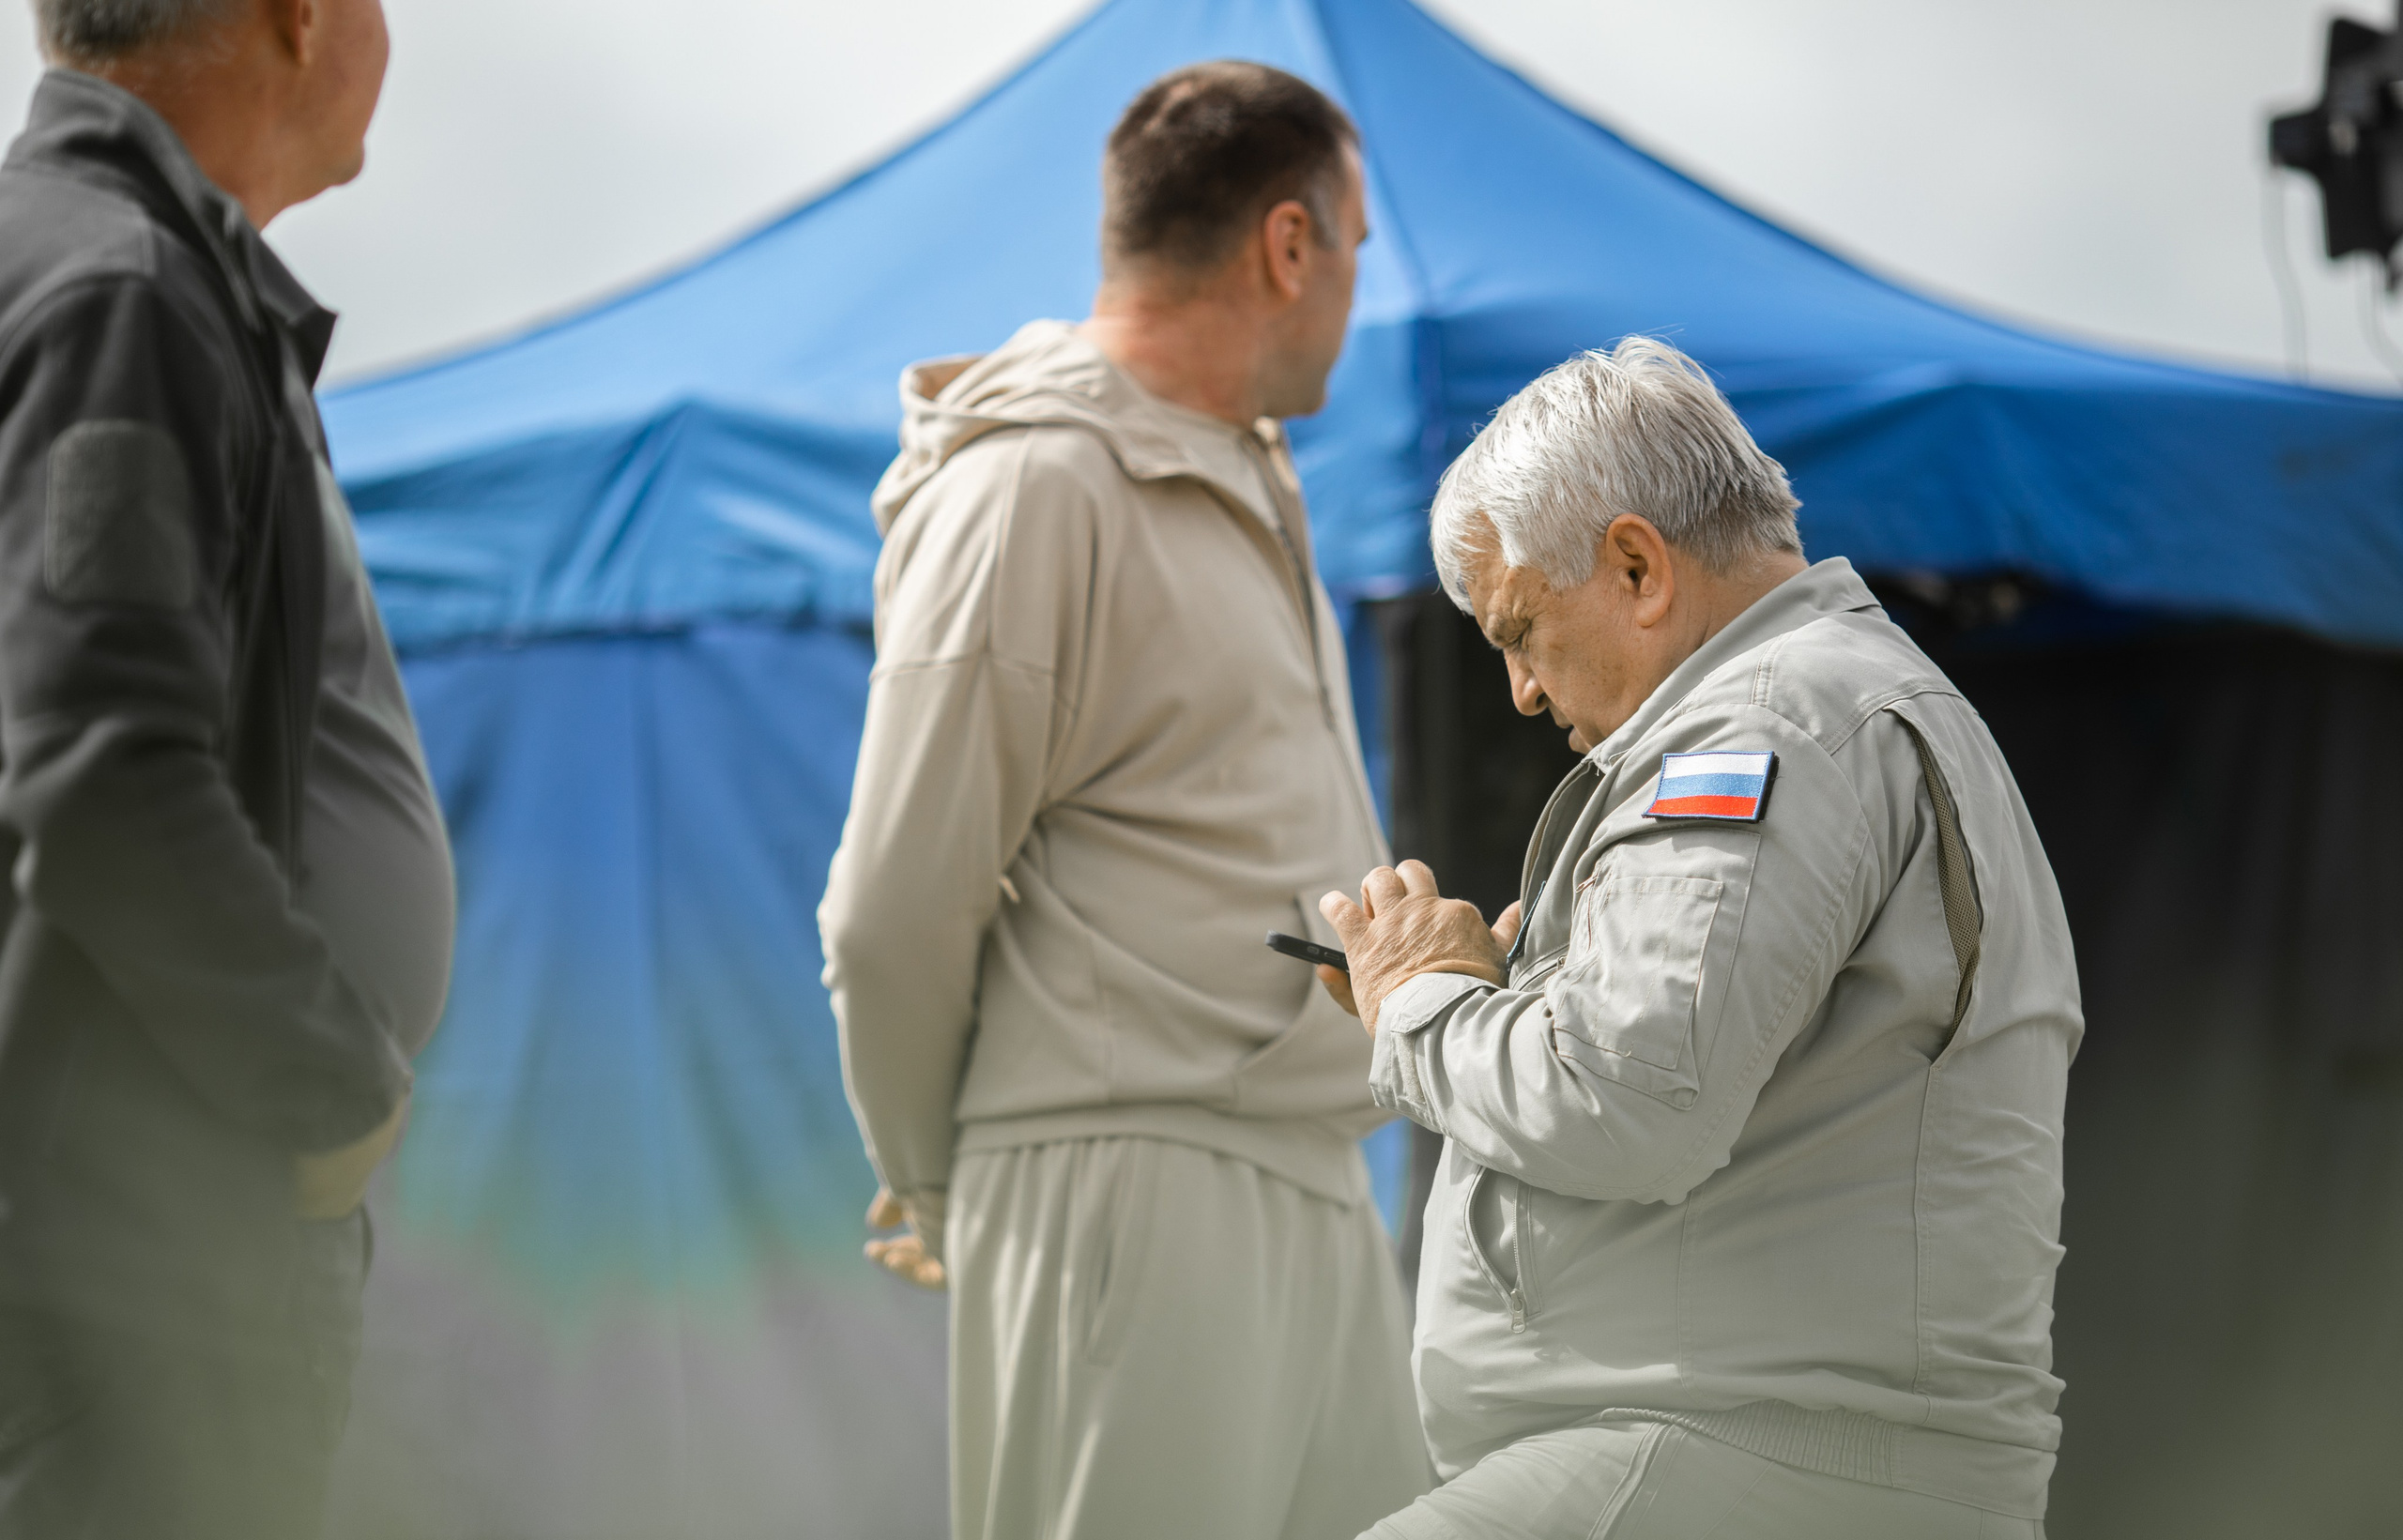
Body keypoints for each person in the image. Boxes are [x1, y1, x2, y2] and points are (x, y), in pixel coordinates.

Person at [1321, 339, 2079, 1539]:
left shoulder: (1760, 725)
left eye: (1519, 629)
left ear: (1636, 566)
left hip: (1738, 1457)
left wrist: (1422, 1003)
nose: (1521, 689)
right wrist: (1507, 1007)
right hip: (1773, 1461)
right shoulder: (1832, 701)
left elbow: (1626, 1094)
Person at [819, 59, 1431, 1540]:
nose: (1356, 291)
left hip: (1304, 1168)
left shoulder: (1239, 471)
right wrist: (938, 1184)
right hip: (1128, 1182)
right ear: (1289, 245)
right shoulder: (1030, 486)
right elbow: (892, 910)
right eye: (1353, 247)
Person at [0, 1, 452, 1536]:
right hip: (135, 1277)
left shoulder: (112, 272)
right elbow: (105, 771)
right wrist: (326, 1088)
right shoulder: (121, 292)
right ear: (300, 18)